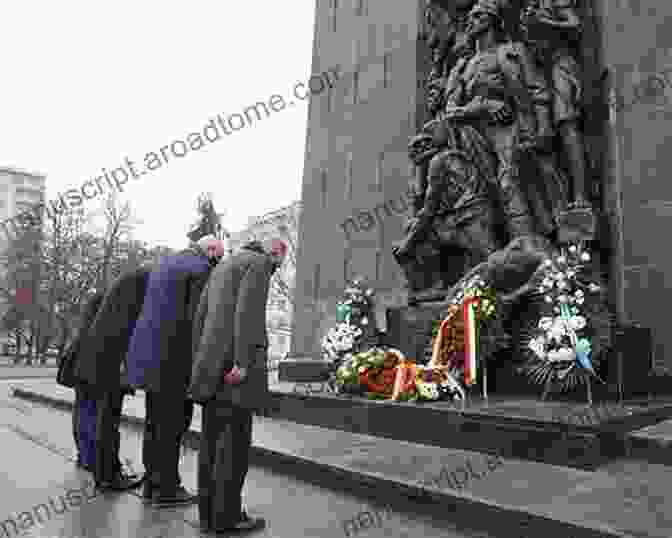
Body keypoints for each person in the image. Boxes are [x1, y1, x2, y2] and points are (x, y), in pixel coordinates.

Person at [189, 238, 287, 533]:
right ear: (273, 255)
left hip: (211, 367)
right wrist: (243, 361)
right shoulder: (258, 265)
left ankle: (208, 514)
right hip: (235, 371)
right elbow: (248, 313)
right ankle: (228, 517)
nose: (277, 268)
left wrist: (200, 360)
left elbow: (200, 318)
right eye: (279, 262)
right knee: (234, 447)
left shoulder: (223, 266)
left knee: (210, 444)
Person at [126, 235, 225, 507]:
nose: (219, 263)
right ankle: (167, 488)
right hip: (174, 362)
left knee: (154, 423)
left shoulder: (165, 264)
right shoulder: (200, 270)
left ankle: (153, 483)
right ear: (211, 252)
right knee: (172, 426)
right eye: (219, 257)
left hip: (150, 359)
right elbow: (197, 320)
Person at [75, 266, 152, 491]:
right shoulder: (137, 288)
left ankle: (106, 472)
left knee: (103, 420)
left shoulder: (119, 293)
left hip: (100, 364)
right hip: (110, 367)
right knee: (108, 422)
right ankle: (109, 476)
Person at [68, 292, 105, 473]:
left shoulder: (83, 329)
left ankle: (83, 456)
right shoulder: (98, 330)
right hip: (92, 372)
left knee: (81, 411)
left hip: (80, 372)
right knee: (91, 413)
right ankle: (90, 458)